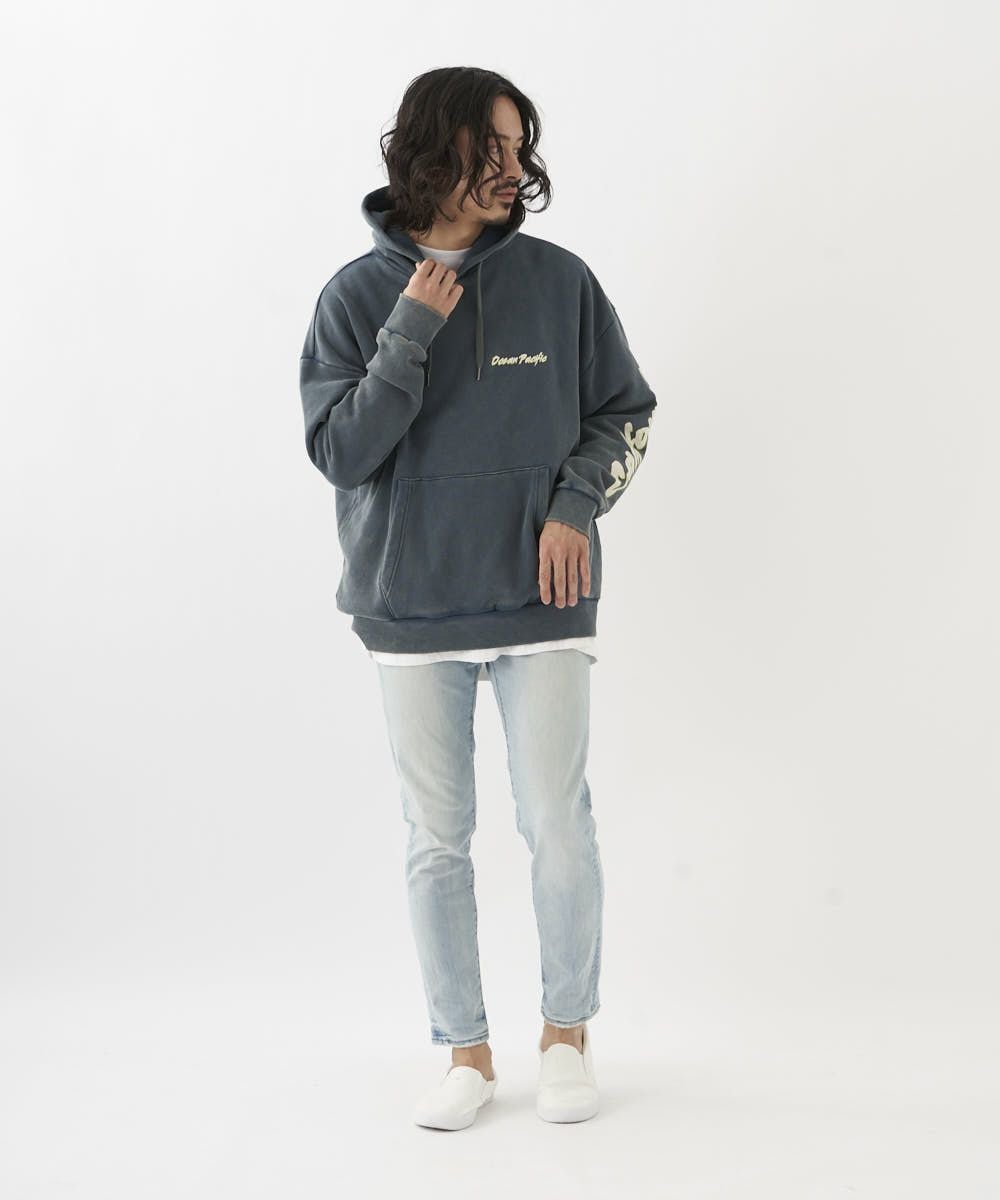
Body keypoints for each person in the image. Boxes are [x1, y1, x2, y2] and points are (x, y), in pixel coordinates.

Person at [299, 66, 657, 1129]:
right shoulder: (353, 298)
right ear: (432, 151)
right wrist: (409, 330)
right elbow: (340, 453)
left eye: (518, 147)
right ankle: (464, 1052)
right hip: (410, 608)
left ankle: (565, 1036)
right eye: (489, 149)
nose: (512, 170)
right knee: (437, 839)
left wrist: (575, 506)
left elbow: (625, 411)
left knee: (557, 822)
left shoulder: (560, 282)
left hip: (542, 601)